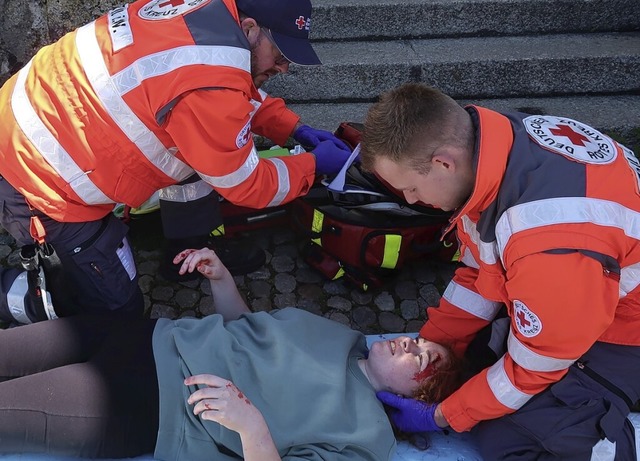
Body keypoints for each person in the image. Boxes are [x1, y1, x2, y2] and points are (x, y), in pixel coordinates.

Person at [0, 0, 352, 321]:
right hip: (39, 179)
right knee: (118, 310)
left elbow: (225, 87)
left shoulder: (208, 15)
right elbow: (245, 183)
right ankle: (21, 297)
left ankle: (185, 247)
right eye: (280, 55)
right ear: (248, 29)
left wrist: (292, 128)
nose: (284, 68)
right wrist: (313, 165)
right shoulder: (211, 80)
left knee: (198, 153)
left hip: (27, 114)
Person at [359, 82, 640, 460]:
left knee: (514, 436)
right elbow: (480, 270)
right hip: (585, 290)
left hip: (624, 331)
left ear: (443, 162)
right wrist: (440, 342)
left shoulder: (549, 245)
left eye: (410, 188)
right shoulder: (498, 148)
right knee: (479, 362)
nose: (410, 200)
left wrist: (443, 415)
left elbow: (535, 367)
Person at [0, 247, 462, 461]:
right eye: (419, 341)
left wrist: (251, 427)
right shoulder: (344, 337)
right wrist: (221, 280)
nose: (409, 344)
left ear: (418, 402)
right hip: (142, 337)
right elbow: (247, 330)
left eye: (420, 361)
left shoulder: (366, 438)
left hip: (149, 406)